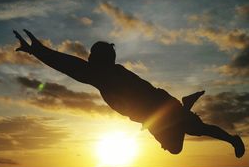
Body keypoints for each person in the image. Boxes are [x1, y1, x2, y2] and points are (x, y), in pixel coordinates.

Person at [13, 29, 245, 158]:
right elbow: (71, 64)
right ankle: (226, 134)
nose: (89, 58)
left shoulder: (102, 76)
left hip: (155, 114)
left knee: (175, 147)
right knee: (199, 130)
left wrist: (38, 52)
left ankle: (188, 109)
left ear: (100, 60)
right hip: (163, 105)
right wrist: (39, 51)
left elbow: (69, 65)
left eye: (92, 55)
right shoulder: (110, 72)